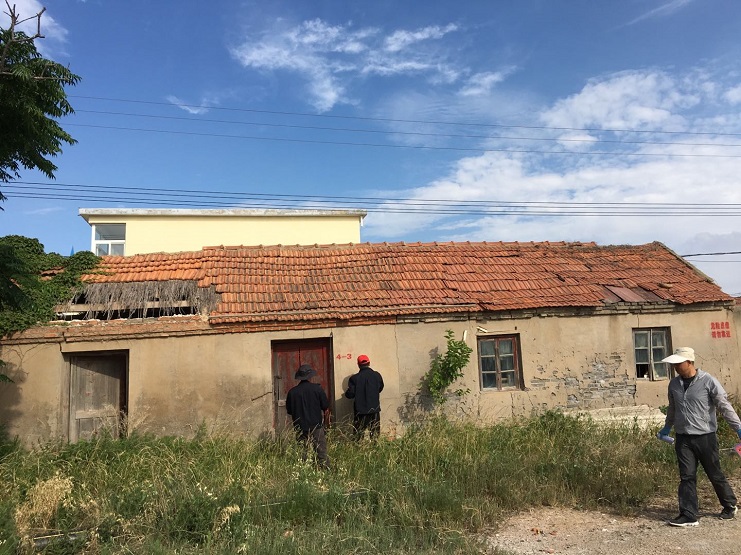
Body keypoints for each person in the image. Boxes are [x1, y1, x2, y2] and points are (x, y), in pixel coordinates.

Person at [658, 347, 741, 527]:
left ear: (689, 362)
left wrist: (738, 428)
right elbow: (672, 408)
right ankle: (688, 515)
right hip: (683, 438)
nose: (675, 367)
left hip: (705, 437)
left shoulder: (708, 381)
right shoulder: (674, 384)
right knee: (687, 476)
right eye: (674, 364)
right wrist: (667, 427)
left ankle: (729, 504)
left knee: (714, 473)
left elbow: (724, 406)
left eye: (678, 363)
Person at [285, 364, 330, 469]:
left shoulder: (292, 392)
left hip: (300, 425)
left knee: (302, 449)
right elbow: (325, 406)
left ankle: (302, 469)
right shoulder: (317, 389)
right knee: (321, 449)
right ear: (310, 376)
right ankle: (324, 469)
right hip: (316, 424)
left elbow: (290, 411)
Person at [345, 354, 384, 440]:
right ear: (369, 363)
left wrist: (347, 393)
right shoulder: (377, 376)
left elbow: (350, 394)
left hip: (360, 411)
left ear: (358, 365)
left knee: (358, 435)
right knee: (375, 434)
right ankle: (375, 447)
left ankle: (359, 447)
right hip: (374, 409)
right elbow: (380, 388)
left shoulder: (354, 378)